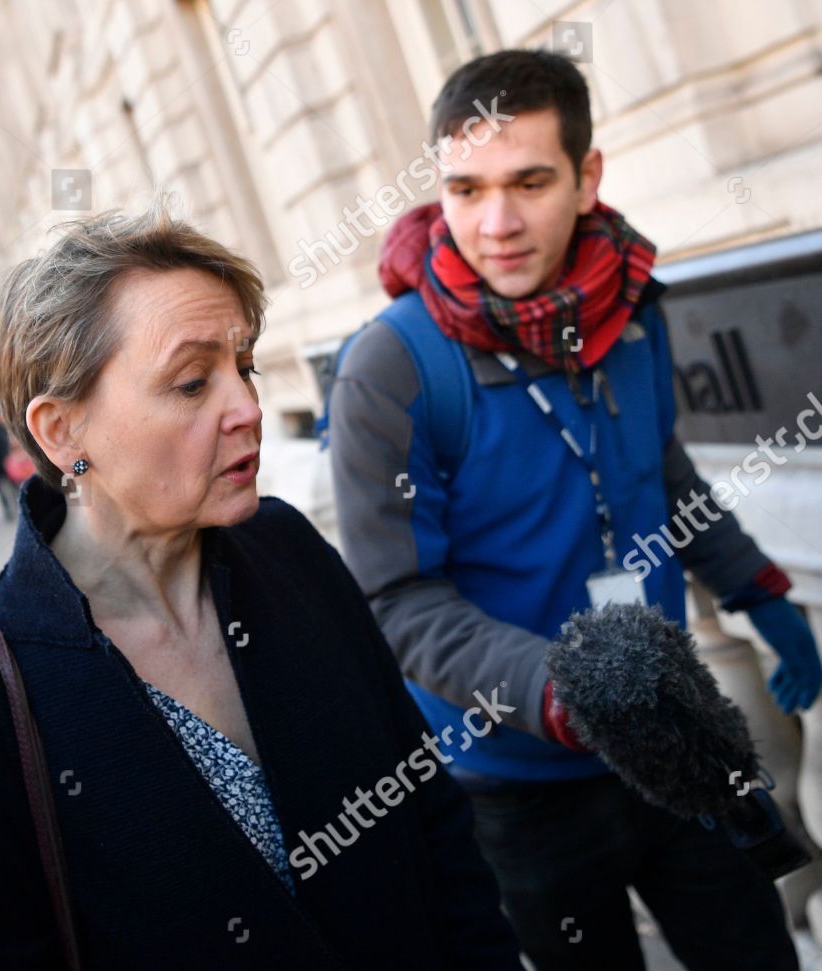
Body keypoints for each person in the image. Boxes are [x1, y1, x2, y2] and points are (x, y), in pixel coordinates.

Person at [0, 205, 520, 968]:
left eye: (243, 367)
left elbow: (434, 824)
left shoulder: (288, 549)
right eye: (192, 382)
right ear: (62, 432)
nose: (248, 409)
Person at [327, 49, 815, 970]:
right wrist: (561, 693)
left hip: (677, 743)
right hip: (515, 787)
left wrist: (757, 589)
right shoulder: (388, 368)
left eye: (530, 181)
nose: (496, 223)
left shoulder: (631, 307)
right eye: (465, 190)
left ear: (588, 177)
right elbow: (397, 600)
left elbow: (658, 473)